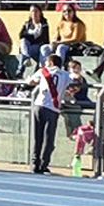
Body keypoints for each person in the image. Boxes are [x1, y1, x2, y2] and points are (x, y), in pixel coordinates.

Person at [25, 46, 71, 174]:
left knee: (37, 136)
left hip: (39, 105)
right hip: (53, 108)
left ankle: (34, 163)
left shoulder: (43, 71)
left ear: (50, 63)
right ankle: (44, 163)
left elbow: (31, 82)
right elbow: (74, 80)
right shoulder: (65, 74)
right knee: (48, 138)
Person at [18, 6, 50, 74]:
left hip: (38, 46)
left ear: (40, 13)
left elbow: (43, 38)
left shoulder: (44, 25)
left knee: (25, 50)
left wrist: (30, 37)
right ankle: (25, 61)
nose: (34, 13)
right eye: (32, 11)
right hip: (27, 47)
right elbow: (21, 35)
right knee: (23, 41)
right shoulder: (27, 24)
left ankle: (21, 68)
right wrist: (32, 37)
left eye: (36, 11)